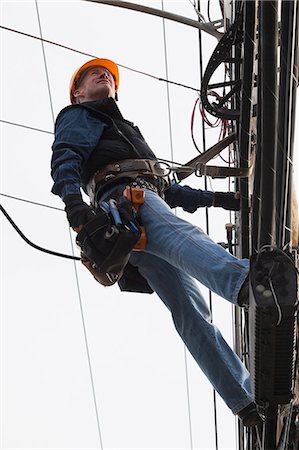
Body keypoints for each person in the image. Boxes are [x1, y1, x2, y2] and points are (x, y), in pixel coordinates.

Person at [51, 58, 262, 427]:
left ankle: (242, 401)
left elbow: (167, 188)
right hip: (125, 202)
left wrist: (222, 200)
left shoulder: (122, 129)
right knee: (184, 239)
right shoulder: (79, 117)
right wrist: (75, 209)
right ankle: (251, 285)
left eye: (108, 75)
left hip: (138, 211)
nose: (103, 75)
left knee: (190, 311)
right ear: (78, 93)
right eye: (91, 75)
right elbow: (65, 161)